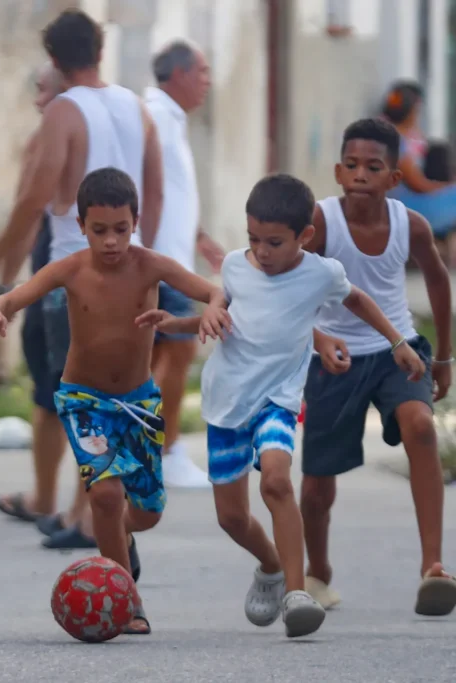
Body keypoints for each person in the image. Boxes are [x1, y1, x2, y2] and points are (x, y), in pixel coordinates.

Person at [139, 173, 427, 638]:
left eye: (274, 242)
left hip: (277, 399)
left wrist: (397, 342)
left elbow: (358, 300)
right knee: (232, 518)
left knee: (276, 480)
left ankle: (297, 593)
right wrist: (181, 322)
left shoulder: (321, 274)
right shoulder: (236, 267)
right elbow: (228, 317)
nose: (262, 251)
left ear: (304, 236)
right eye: (254, 238)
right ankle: (271, 566)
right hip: (227, 401)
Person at [0, 167, 232, 635]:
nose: (111, 241)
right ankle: (127, 602)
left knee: (148, 513)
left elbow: (213, 290)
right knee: (106, 495)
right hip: (84, 401)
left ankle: (123, 536)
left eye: (121, 228)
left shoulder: (151, 265)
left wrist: (215, 308)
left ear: (135, 222)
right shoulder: (71, 269)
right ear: (81, 226)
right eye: (99, 230)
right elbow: (19, 296)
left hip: (138, 404)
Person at [0, 8, 164, 557]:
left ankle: (89, 519)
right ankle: (87, 512)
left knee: (80, 397)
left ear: (55, 59)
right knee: (114, 393)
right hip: (131, 271)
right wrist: (143, 258)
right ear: (100, 51)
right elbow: (154, 191)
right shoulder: (136, 107)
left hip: (73, 271)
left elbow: (35, 196)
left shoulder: (64, 110)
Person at [299, 118, 456, 616]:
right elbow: (286, 286)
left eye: (373, 166)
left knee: (421, 427)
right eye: (351, 165)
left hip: (398, 350)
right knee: (317, 484)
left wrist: (444, 357)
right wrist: (314, 339)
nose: (360, 174)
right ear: (337, 172)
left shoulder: (411, 224)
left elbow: (439, 282)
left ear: (394, 178)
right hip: (334, 359)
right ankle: (318, 571)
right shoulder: (320, 222)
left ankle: (433, 566)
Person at [0, 63, 74, 530]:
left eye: (44, 91)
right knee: (59, 391)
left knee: (57, 391)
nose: (39, 101)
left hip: (55, 279)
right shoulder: (117, 121)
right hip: (64, 276)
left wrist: (3, 286)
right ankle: (54, 499)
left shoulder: (48, 140)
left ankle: (65, 504)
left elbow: (27, 212)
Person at [144, 39, 225, 488]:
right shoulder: (156, 116)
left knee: (161, 356)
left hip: (171, 254)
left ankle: (149, 449)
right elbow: (146, 187)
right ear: (178, 74)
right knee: (179, 350)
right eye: (202, 72)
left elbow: (170, 191)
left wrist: (200, 238)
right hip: (161, 259)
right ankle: (167, 450)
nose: (208, 81)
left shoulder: (170, 118)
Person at [380, 80, 456, 263]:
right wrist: (447, 187)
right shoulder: (396, 141)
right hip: (406, 206)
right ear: (411, 111)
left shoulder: (390, 134)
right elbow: (419, 184)